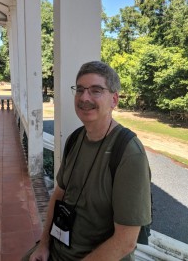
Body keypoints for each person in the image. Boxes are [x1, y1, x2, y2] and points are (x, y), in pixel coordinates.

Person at [28, 61, 151, 261]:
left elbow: (126, 241)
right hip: (57, 249)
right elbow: (59, 194)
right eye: (80, 89)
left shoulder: (129, 153)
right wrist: (43, 244)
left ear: (114, 100)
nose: (84, 97)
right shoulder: (75, 138)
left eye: (96, 90)